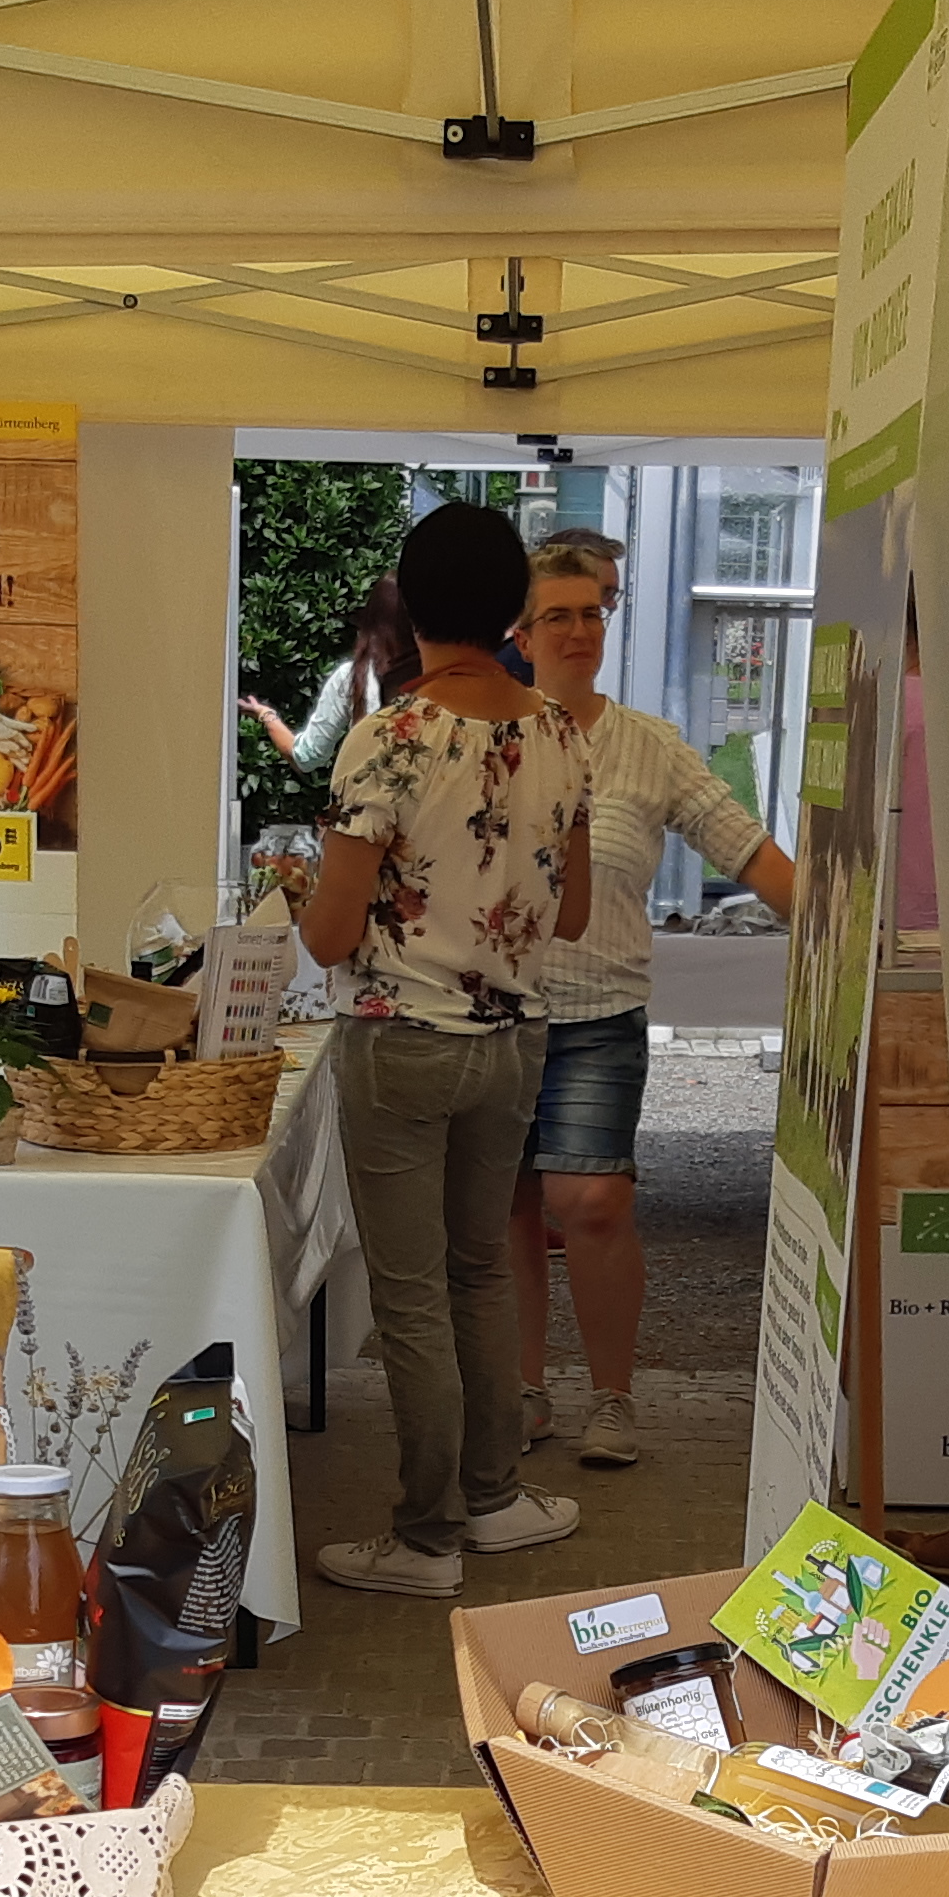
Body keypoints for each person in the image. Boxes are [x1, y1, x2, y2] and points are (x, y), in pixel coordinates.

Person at [301, 502, 596, 1598]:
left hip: (400, 1040)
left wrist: (313, 898)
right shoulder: (563, 734)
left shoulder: (390, 737)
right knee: (481, 1273)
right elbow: (567, 918)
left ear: (411, 606)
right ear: (514, 608)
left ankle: (426, 1540)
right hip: (515, 1045)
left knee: (411, 1294)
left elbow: (331, 935)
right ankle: (493, 1497)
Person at [505, 530, 795, 1471]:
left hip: (598, 1015)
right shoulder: (490, 737)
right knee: (506, 1209)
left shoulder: (647, 746)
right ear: (523, 627)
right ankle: (523, 1388)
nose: (581, 630)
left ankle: (613, 1394)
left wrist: (848, 925)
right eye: (560, 615)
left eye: (595, 612)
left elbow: (744, 845)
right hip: (496, 1010)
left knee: (590, 1201)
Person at [242, 568, 414, 778]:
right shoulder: (446, 679)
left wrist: (265, 714)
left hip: (370, 806)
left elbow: (305, 756)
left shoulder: (352, 677)